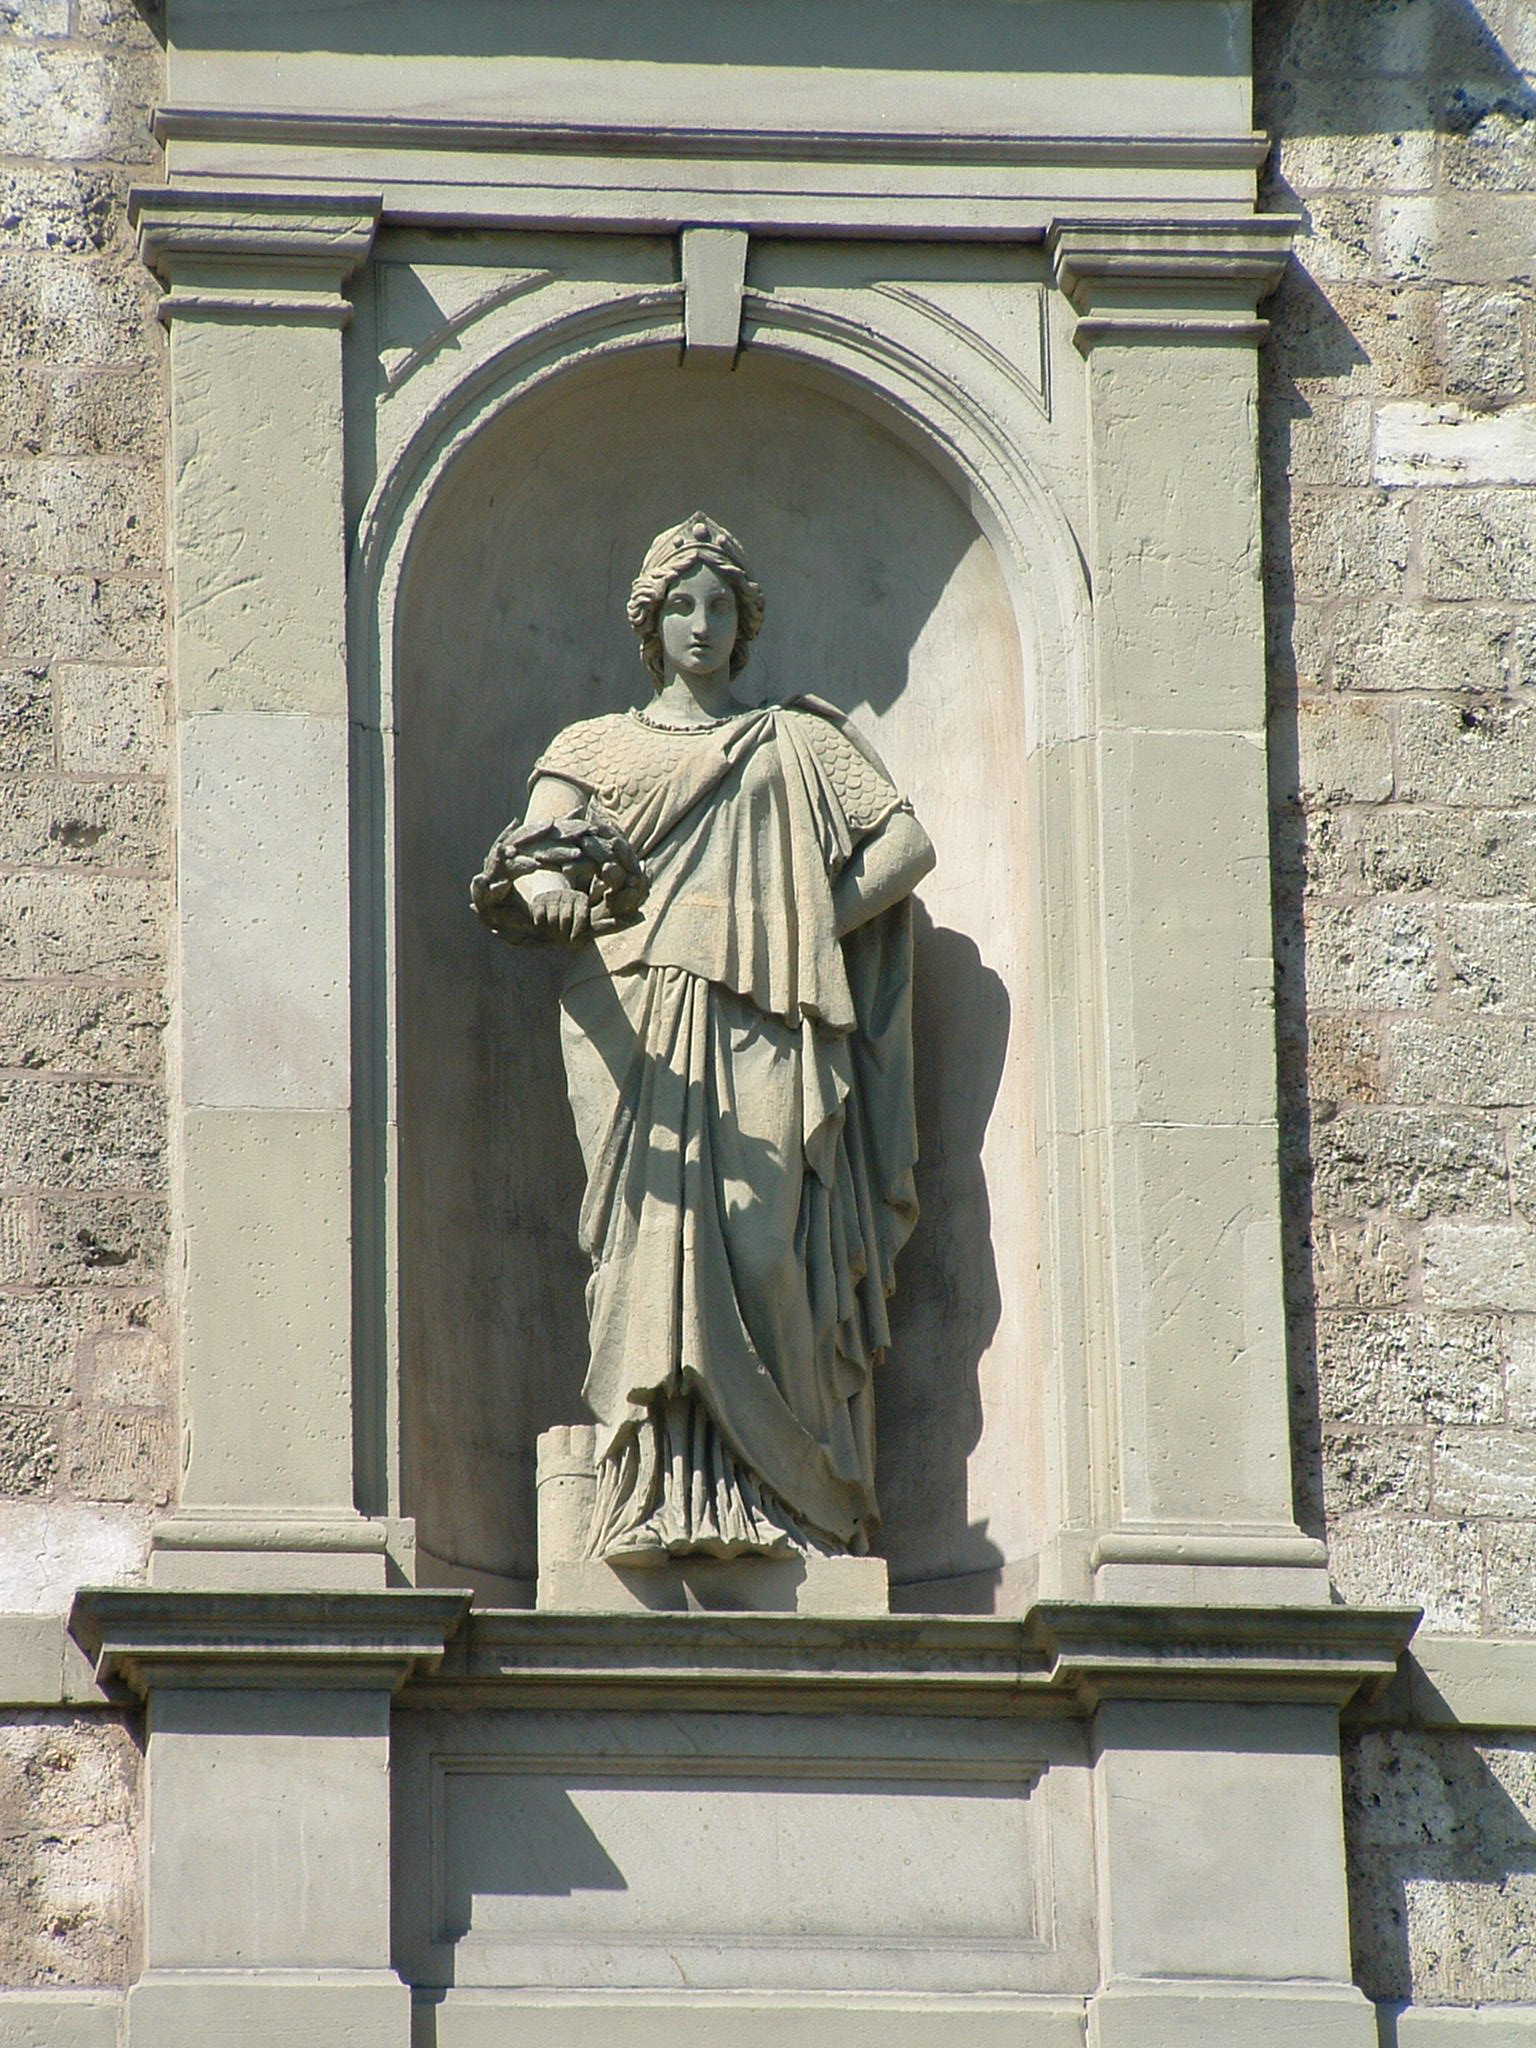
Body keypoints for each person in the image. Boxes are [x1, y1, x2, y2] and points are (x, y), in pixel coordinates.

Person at [472, 514, 934, 1564]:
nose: (701, 621)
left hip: (766, 1005)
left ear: (744, 622)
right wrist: (546, 894)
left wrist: (802, 919)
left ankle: (790, 1497)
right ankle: (646, 1492)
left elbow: (906, 843)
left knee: (766, 1244)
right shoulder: (592, 746)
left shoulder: (797, 741)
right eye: (681, 602)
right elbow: (535, 854)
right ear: (650, 621)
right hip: (628, 1009)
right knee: (642, 1239)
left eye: (719, 603)